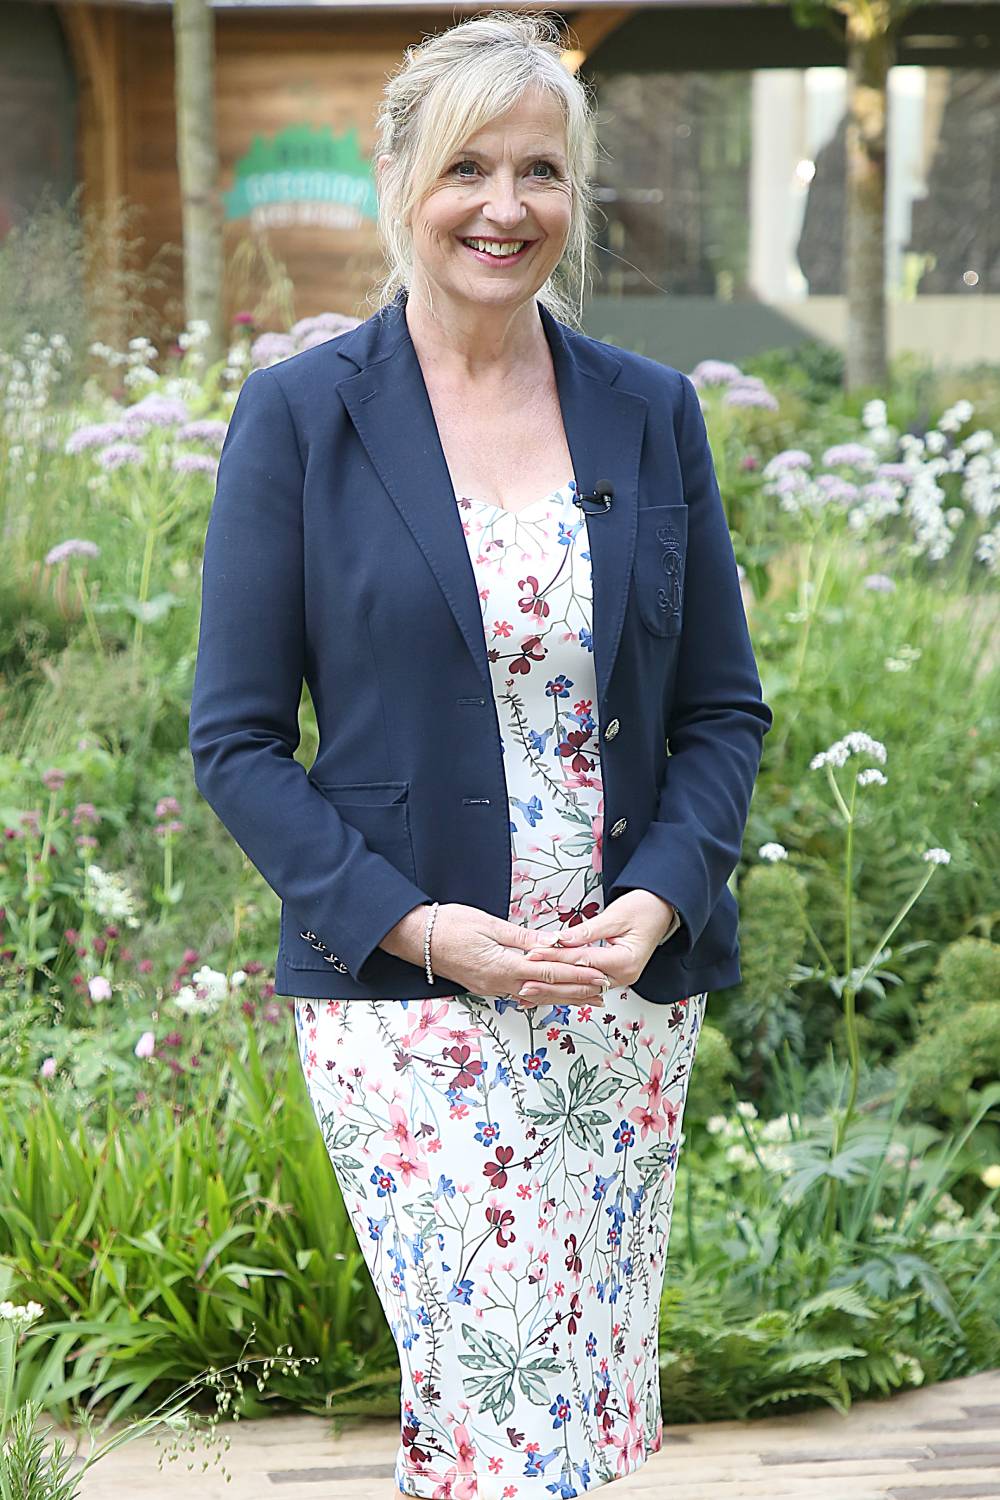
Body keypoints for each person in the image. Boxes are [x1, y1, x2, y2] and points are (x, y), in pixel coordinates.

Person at [188, 11, 773, 1497]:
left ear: (574, 197)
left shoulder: (651, 414)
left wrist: (660, 902)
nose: (503, 207)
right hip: (409, 1005)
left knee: (541, 1413)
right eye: (466, 168)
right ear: (400, 181)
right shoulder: (301, 419)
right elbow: (238, 742)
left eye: (540, 171)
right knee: (515, 1407)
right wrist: (427, 929)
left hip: (618, 1003)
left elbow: (721, 711)